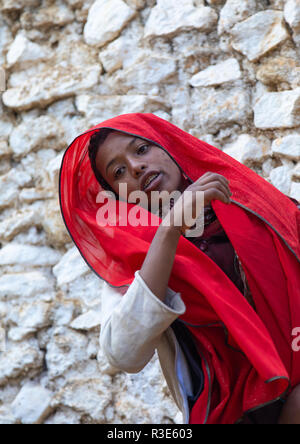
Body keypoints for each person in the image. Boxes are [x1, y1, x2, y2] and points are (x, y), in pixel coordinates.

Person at [59, 113, 300, 424]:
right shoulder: (133, 267)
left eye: (142, 149)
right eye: (118, 171)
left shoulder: (259, 205)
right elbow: (123, 354)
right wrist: (169, 231)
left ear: (169, 146)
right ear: (116, 196)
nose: (135, 167)